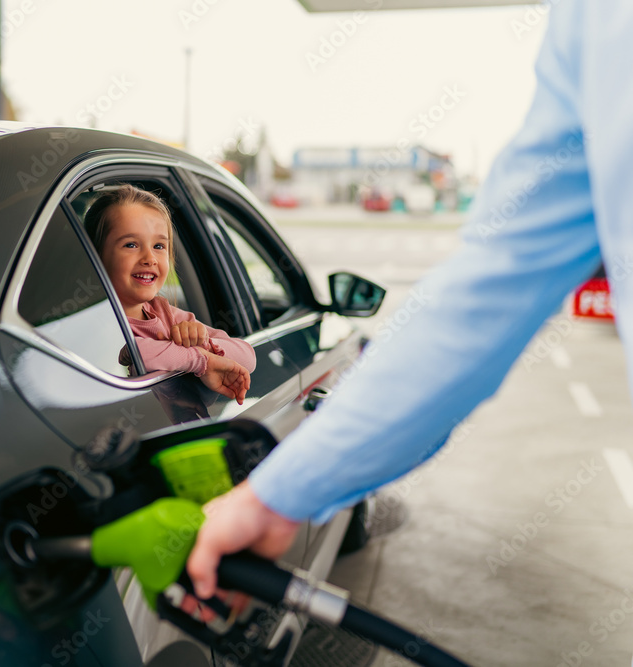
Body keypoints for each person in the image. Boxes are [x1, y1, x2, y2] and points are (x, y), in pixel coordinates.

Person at [187, 0, 632, 602]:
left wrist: (276, 496)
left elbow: (490, 291)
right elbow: (495, 282)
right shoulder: (591, 22)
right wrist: (276, 495)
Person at [84, 184, 256, 405]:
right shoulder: (94, 323)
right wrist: (202, 360)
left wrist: (202, 341)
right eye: (131, 244)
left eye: (158, 245)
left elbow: (247, 356)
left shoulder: (167, 315)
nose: (149, 258)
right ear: (95, 257)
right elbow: (136, 352)